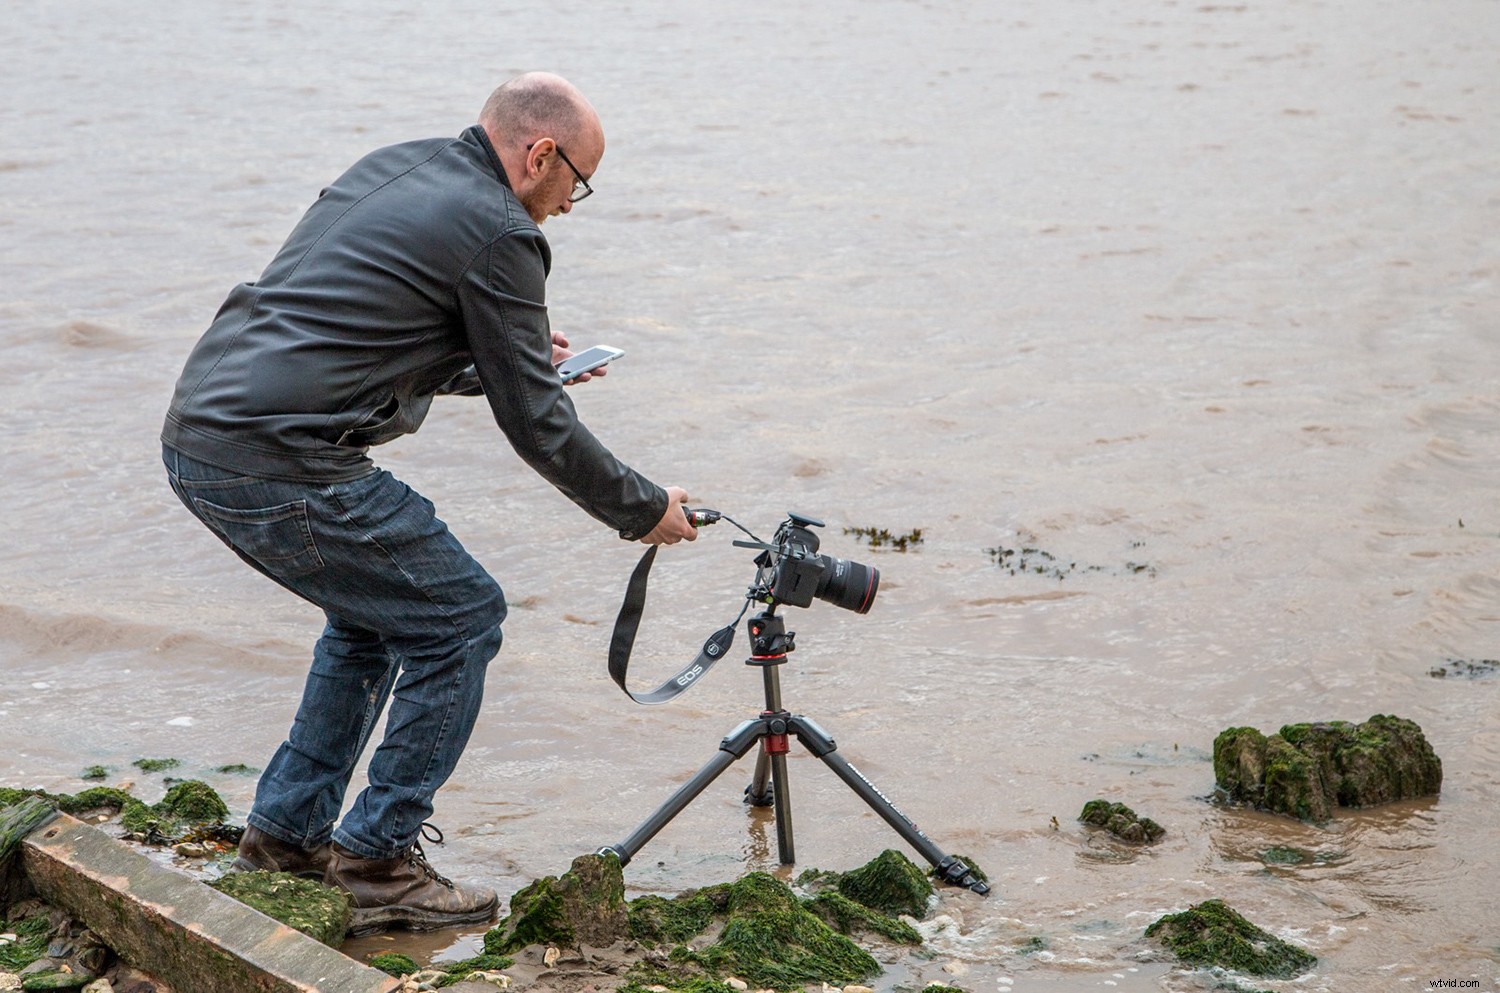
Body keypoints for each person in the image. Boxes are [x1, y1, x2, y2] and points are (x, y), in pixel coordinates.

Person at [161, 72, 697, 934]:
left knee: (374, 613)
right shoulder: (501, 231)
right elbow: (540, 428)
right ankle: (376, 859)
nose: (570, 203)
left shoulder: (396, 167)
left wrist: (510, 355)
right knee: (460, 614)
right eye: (578, 183)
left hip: (203, 433)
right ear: (541, 155)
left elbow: (357, 330)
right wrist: (642, 508)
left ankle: (285, 836)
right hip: (275, 458)